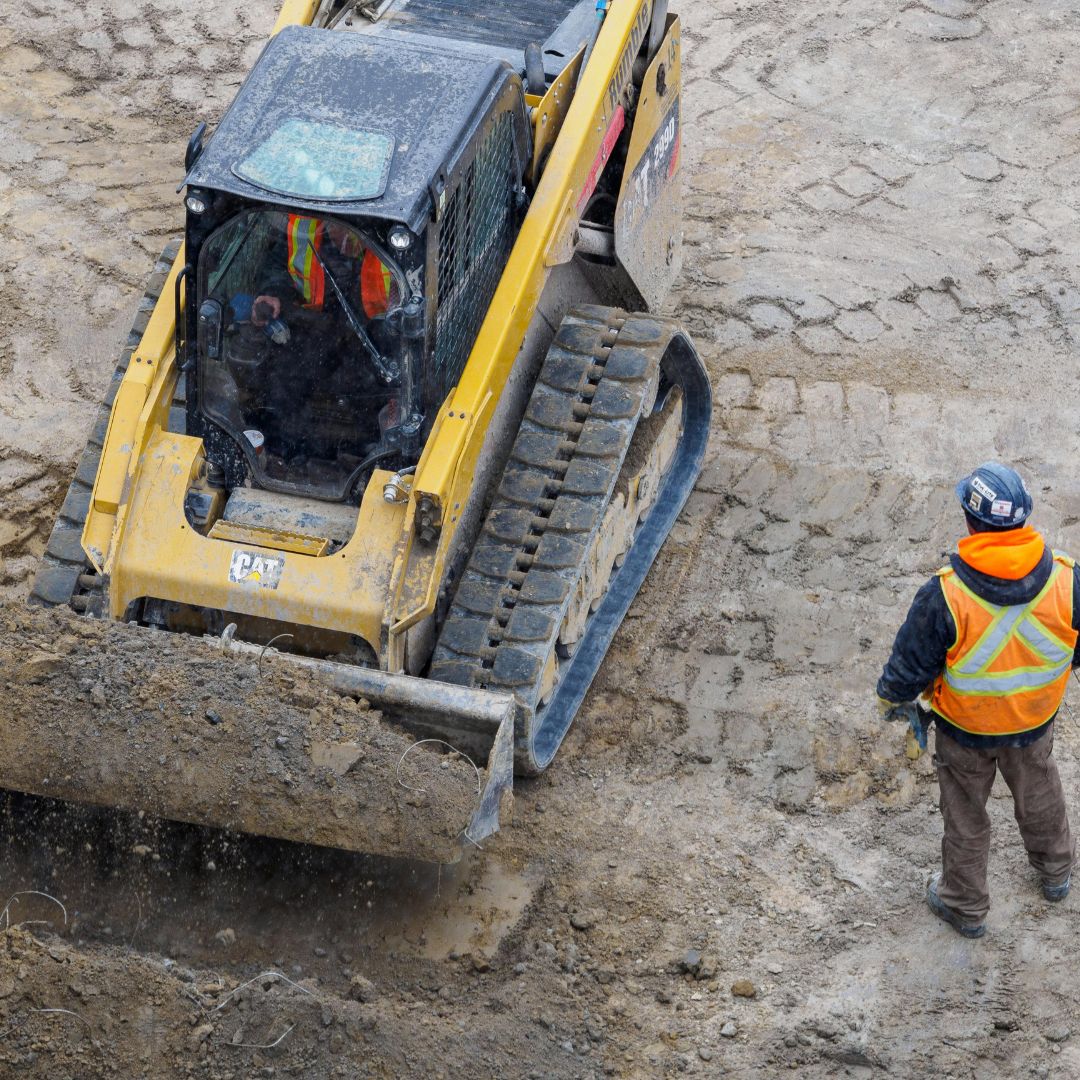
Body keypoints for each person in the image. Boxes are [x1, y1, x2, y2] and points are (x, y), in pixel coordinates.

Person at [877, 462, 1079, 938]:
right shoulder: (1069, 583)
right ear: (1023, 520)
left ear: (970, 522)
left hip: (964, 732)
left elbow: (909, 667)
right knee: (1039, 789)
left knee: (965, 811)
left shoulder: (944, 595)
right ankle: (1057, 874)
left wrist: (893, 699)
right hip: (1033, 723)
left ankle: (965, 904)